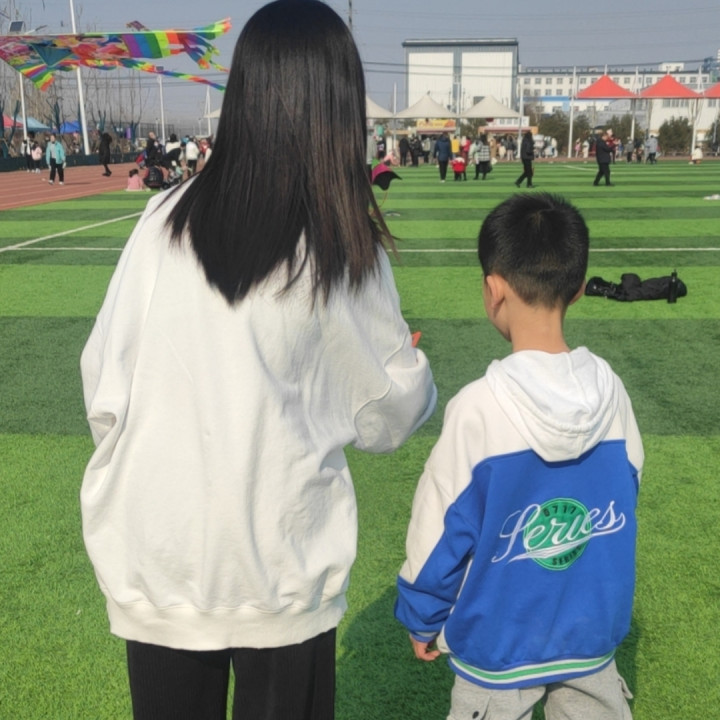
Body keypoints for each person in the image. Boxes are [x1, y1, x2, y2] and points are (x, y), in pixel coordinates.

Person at [79, 3, 436, 719]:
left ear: (246, 95)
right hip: (280, 563)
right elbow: (388, 414)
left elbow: (104, 387)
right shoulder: (339, 245)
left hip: (162, 555)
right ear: (338, 109)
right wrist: (409, 371)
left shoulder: (159, 221)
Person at [395, 192, 644, 720]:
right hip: (591, 630)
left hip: (497, 640)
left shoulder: (478, 408)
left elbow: (440, 527)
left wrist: (422, 613)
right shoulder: (614, 392)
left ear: (494, 290)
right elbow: (629, 490)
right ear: (579, 288)